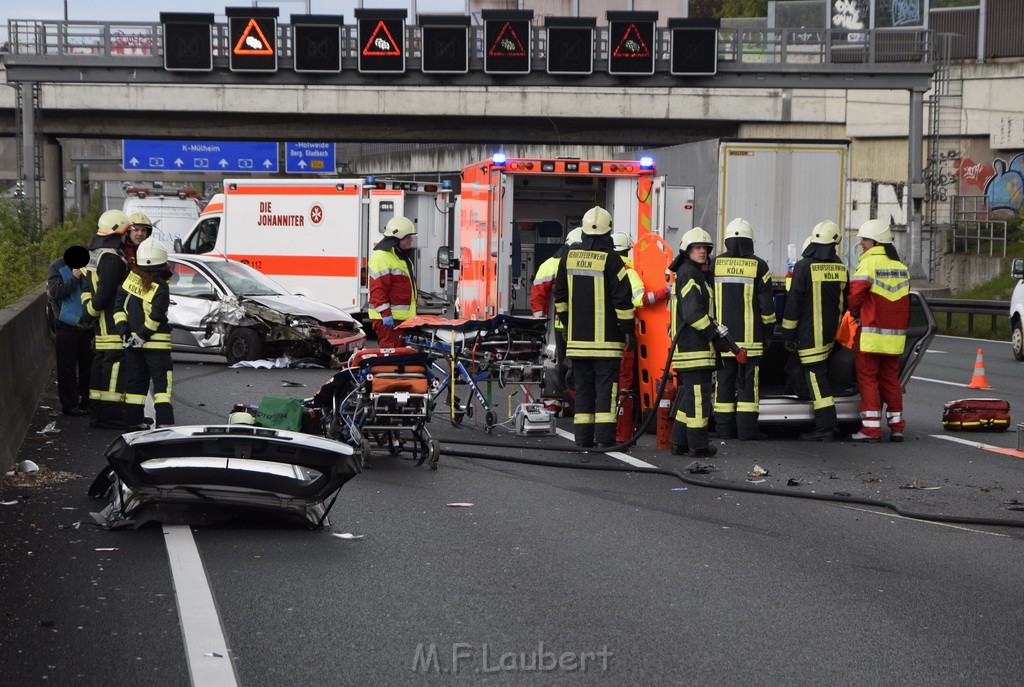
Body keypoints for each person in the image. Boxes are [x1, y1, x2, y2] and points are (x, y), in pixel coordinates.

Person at [553, 206, 634, 448]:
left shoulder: (569, 257)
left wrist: (570, 326)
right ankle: (605, 440)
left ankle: (583, 439)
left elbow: (560, 297)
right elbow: (622, 300)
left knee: (584, 390)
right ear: (608, 232)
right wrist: (628, 330)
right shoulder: (612, 260)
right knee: (605, 391)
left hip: (577, 343)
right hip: (607, 345)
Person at [779, 220, 849, 442]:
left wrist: (788, 334)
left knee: (816, 379)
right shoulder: (840, 267)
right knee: (818, 374)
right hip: (832, 336)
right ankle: (825, 424)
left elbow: (794, 303)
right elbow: (845, 302)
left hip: (810, 335)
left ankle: (826, 426)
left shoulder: (803, 266)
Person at [709, 218, 776, 440]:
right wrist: (768, 333)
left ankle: (723, 432)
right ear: (750, 241)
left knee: (723, 384)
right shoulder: (760, 265)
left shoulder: (714, 264)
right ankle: (747, 432)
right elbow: (766, 306)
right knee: (748, 385)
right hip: (750, 341)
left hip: (721, 339)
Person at [847, 219, 911, 442]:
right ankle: (897, 427)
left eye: (864, 239)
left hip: (870, 336)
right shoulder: (901, 268)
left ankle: (871, 429)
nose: (862, 243)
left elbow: (855, 297)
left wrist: (852, 312)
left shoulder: (867, 265)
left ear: (875, 241)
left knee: (868, 380)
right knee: (891, 380)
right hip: (894, 338)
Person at [669, 227, 729, 458]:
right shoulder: (690, 274)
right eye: (697, 248)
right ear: (687, 251)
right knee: (698, 400)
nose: (702, 251)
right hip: (694, 349)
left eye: (705, 248)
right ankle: (698, 445)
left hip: (693, 349)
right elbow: (694, 313)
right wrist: (715, 335)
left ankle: (679, 442)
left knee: (689, 397)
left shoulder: (693, 273)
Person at [113, 237, 175, 430]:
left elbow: (118, 309)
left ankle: (133, 423)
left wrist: (125, 333)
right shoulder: (161, 286)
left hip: (131, 345)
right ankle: (164, 424)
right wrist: (143, 335)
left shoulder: (129, 282)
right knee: (162, 387)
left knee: (134, 386)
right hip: (156, 346)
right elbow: (156, 315)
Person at [80, 209, 132, 428]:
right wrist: (91, 314)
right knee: (114, 371)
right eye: (127, 232)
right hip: (112, 325)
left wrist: (88, 314)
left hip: (100, 327)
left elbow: (87, 290)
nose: (128, 236)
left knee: (100, 369)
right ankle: (111, 416)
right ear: (119, 232)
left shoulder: (95, 255)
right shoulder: (112, 258)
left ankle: (97, 414)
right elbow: (105, 294)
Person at [611, 230, 671, 394]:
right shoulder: (629, 272)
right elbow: (640, 300)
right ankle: (622, 412)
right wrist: (666, 291)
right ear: (626, 251)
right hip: (625, 332)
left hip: (602, 333)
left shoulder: (604, 269)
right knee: (623, 375)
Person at [531, 227, 583, 412]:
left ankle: (555, 401)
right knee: (574, 364)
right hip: (580, 326)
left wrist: (539, 323)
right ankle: (569, 401)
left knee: (554, 361)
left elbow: (538, 295)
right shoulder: (585, 262)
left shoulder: (550, 264)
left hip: (558, 325)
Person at [46, 245, 94, 416]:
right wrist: (74, 279)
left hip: (88, 324)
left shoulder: (91, 266)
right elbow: (55, 292)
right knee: (67, 366)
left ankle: (86, 402)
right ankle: (70, 405)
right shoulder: (57, 267)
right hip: (66, 324)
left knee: (87, 365)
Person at [367, 216, 417, 349]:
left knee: (400, 359)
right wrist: (386, 314)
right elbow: (377, 290)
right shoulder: (381, 257)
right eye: (407, 237)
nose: (410, 240)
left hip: (401, 320)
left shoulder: (401, 257)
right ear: (397, 238)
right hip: (389, 320)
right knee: (391, 358)